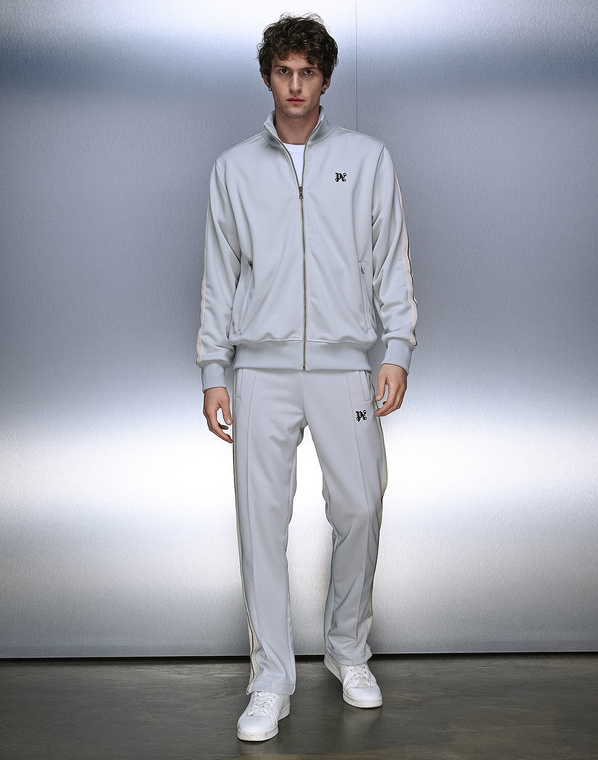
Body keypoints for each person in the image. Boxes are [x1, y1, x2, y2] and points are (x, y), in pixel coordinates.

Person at [197, 13, 417, 743]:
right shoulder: (233, 169)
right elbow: (220, 277)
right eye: (284, 72)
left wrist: (397, 348)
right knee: (260, 523)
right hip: (259, 369)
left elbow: (391, 260)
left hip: (342, 362)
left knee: (360, 505)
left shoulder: (367, 159)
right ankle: (270, 680)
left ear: (325, 79)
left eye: (308, 73)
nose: (296, 85)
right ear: (269, 77)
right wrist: (214, 368)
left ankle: (348, 649)